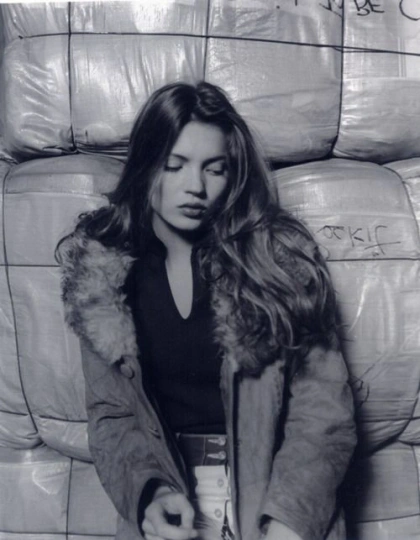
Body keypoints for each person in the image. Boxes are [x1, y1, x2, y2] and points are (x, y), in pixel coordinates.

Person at [56, 81, 356, 540]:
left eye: (214, 169)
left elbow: (324, 411)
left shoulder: (279, 262)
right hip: (170, 510)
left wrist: (289, 519)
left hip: (275, 501)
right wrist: (149, 493)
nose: (195, 187)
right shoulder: (100, 277)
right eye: (174, 166)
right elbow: (111, 415)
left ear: (233, 175)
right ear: (146, 164)